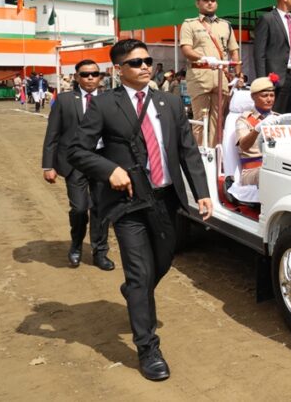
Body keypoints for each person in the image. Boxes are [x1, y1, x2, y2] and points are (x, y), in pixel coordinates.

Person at [68, 39, 213, 381]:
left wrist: (202, 193)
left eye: (148, 60)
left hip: (165, 199)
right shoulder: (104, 104)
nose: (146, 66)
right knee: (139, 273)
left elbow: (187, 151)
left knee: (161, 263)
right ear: (119, 69)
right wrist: (109, 171)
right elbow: (76, 150)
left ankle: (136, 292)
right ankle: (148, 348)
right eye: (136, 63)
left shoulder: (170, 102)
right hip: (127, 204)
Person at [41, 60, 114, 270]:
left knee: (101, 209)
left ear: (100, 77)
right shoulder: (64, 100)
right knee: (80, 208)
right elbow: (52, 134)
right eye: (85, 74)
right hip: (74, 161)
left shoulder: (110, 100)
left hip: (102, 160)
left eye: (94, 74)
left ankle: (100, 252)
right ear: (76, 77)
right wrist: (48, 165)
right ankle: (76, 245)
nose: (90, 78)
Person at [179, 0, 241, 147]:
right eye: (205, 0)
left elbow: (234, 50)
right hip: (200, 76)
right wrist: (205, 58)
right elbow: (186, 49)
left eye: (213, 0)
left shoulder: (225, 25)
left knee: (218, 120)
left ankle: (214, 155)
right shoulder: (190, 24)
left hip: (222, 77)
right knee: (200, 119)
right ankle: (199, 157)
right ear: (197, 3)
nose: (209, 3)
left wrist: (237, 75)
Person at [235, 77, 285, 186]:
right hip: (252, 171)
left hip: (277, 166)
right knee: (269, 174)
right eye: (264, 96)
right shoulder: (244, 120)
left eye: (272, 95)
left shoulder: (278, 118)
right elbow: (243, 146)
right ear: (253, 97)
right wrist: (257, 128)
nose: (269, 99)